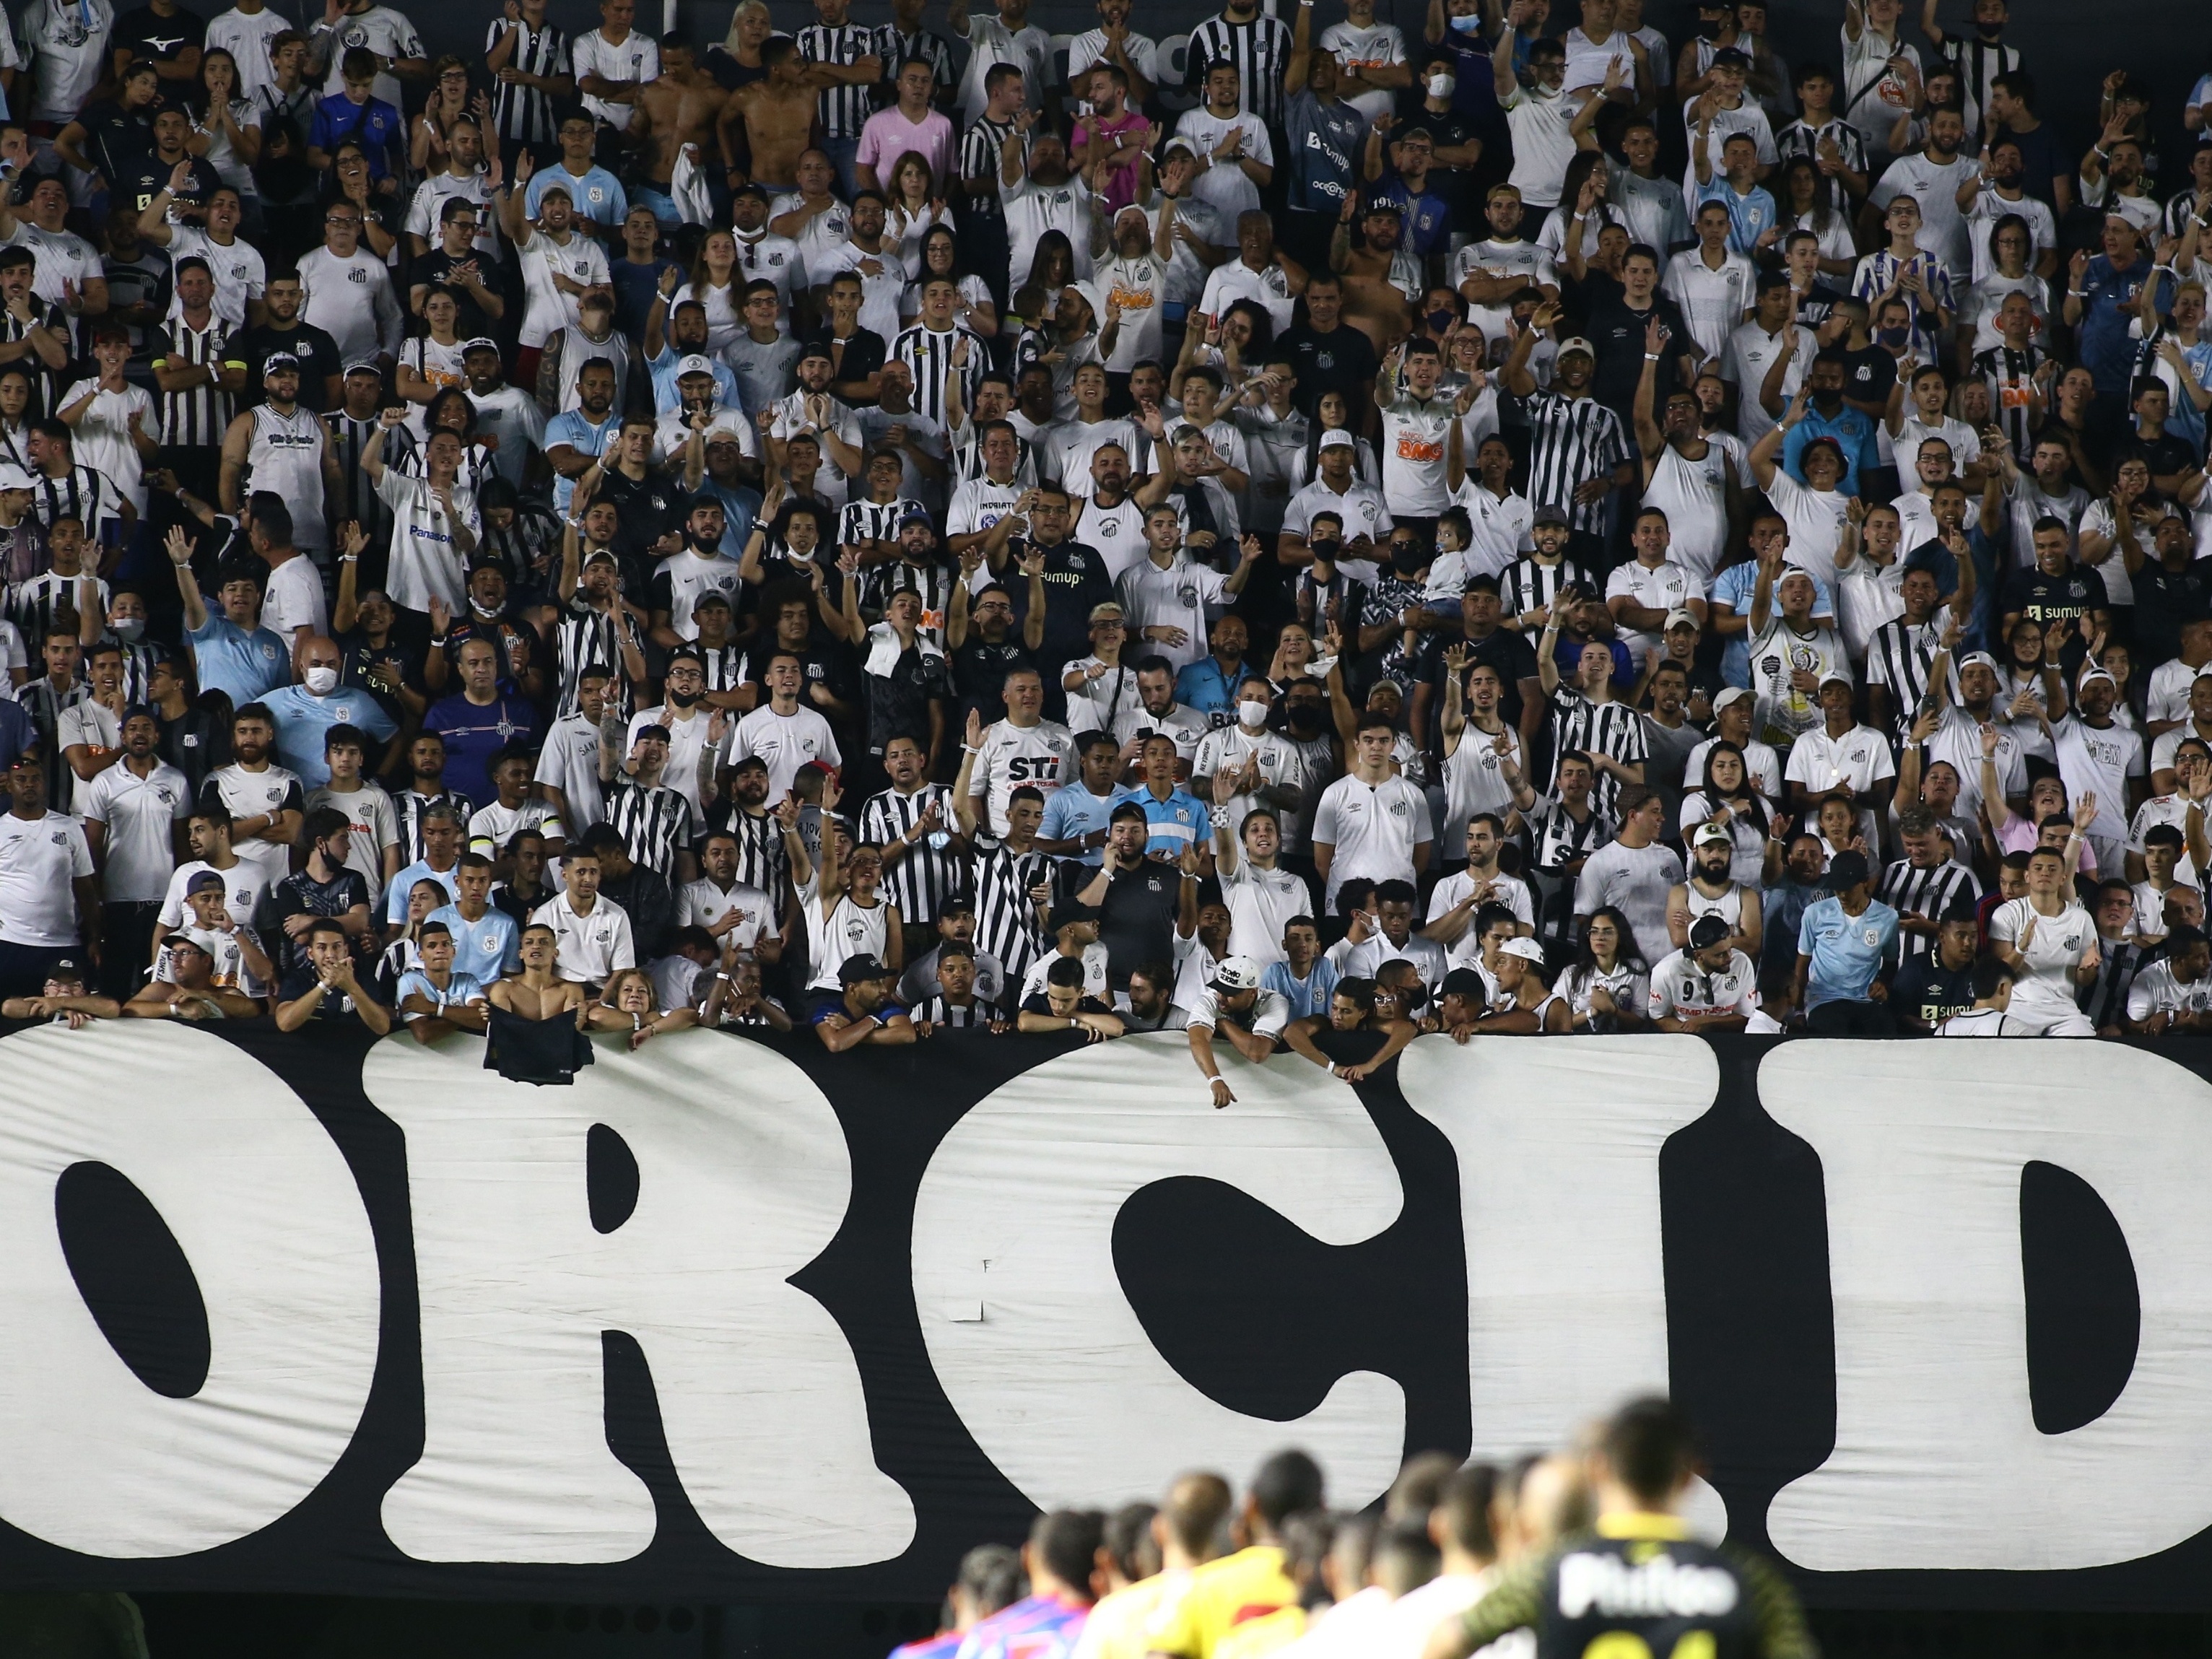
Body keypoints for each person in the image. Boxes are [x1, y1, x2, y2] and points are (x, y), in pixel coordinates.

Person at [1791, 847, 1900, 1032]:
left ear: (1864, 882)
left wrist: (1883, 983)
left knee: (1886, 1036)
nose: (1841, 895)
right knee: (1832, 1035)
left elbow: (1891, 962)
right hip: (1825, 998)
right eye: (1837, 889)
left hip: (1866, 1000)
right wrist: (1799, 1010)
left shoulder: (1888, 917)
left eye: (1848, 889)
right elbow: (1802, 963)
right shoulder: (1815, 913)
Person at [274, 915, 392, 1030]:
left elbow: (382, 1027)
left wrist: (352, 987)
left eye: (336, 947)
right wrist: (324, 985)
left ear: (346, 951)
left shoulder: (362, 977)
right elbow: (285, 1024)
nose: (330, 955)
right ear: (310, 953)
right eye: (322, 948)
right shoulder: (298, 979)